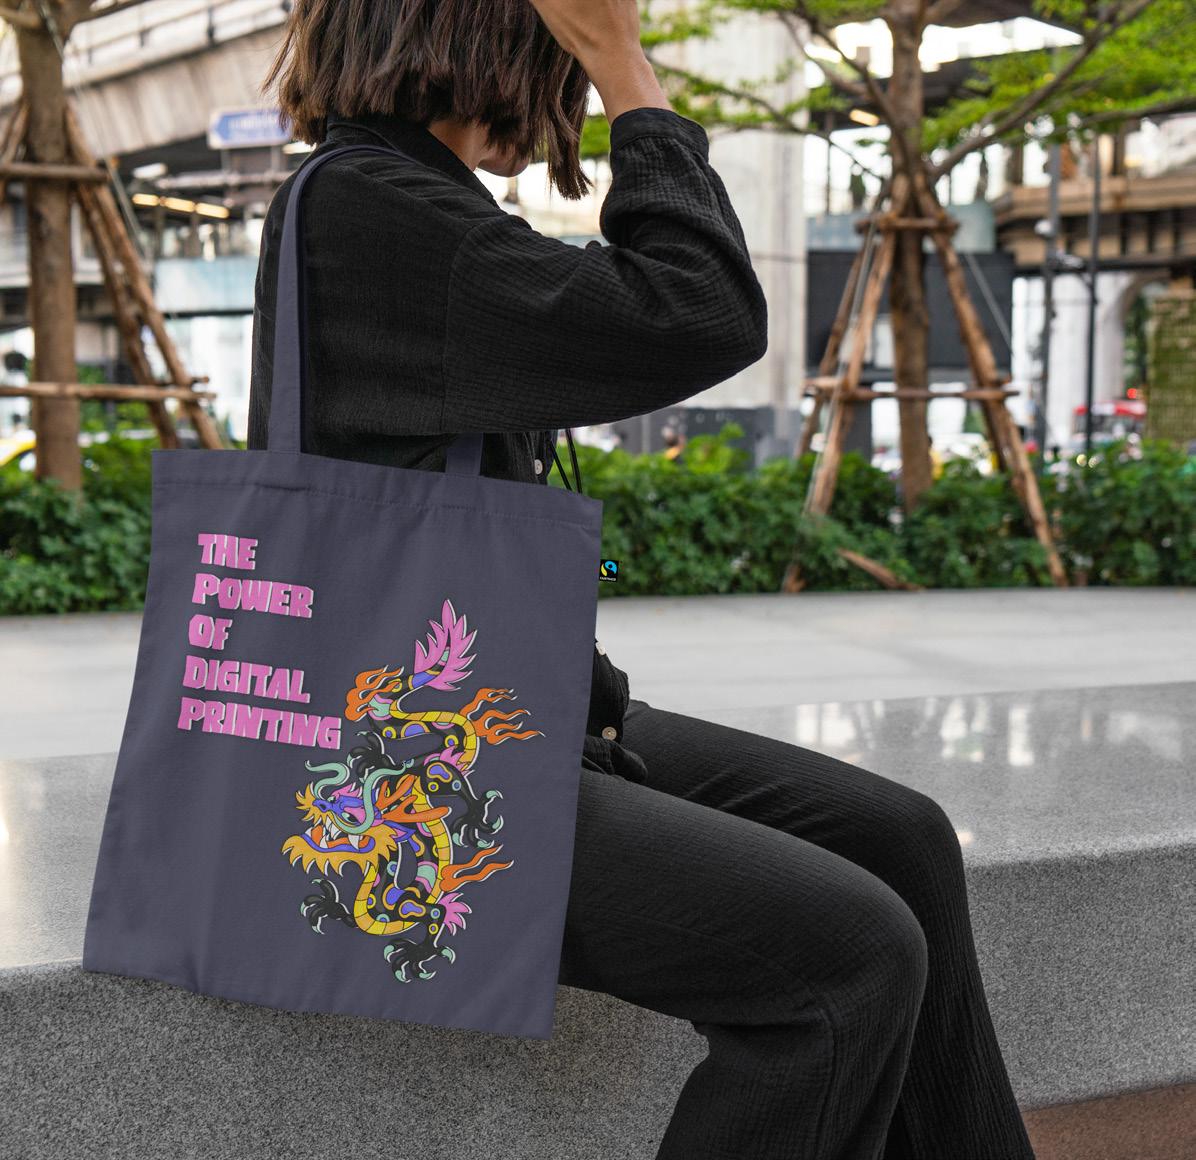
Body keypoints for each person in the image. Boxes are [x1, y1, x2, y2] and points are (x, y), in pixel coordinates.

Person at [249, 3, 1035, 1157]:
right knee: (853, 959)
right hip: (394, 779)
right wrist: (626, 67)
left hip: (493, 719)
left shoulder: (403, 199)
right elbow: (697, 306)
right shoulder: (370, 209)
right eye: (558, 54)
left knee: (904, 840)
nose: (563, 92)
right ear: (474, 37)